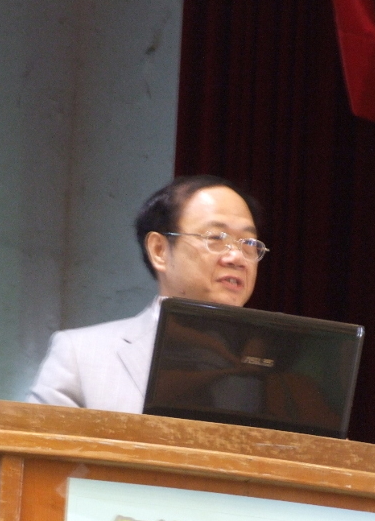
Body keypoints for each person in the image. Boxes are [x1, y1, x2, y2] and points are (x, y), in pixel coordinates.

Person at [26, 174, 266, 412]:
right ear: (159, 250)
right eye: (215, 238)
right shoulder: (80, 355)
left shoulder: (272, 366)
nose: (237, 257)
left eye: (249, 243)